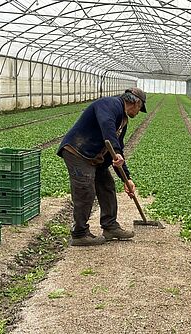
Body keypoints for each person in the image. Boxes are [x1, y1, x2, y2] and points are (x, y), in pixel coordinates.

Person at [57, 87, 147, 246]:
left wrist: (127, 179)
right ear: (136, 102)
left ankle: (110, 226)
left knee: (107, 185)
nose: (139, 112)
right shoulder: (110, 104)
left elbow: (118, 148)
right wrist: (116, 150)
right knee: (85, 189)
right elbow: (107, 125)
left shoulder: (122, 120)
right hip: (77, 151)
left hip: (93, 156)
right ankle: (79, 234)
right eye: (140, 108)